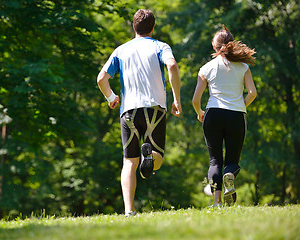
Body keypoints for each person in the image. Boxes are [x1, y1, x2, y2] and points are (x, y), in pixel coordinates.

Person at [97, 9, 182, 217]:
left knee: (129, 162)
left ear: (133, 27)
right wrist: (177, 99)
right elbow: (171, 65)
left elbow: (101, 79)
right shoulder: (160, 46)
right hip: (155, 108)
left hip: (129, 111)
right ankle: (150, 156)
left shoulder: (121, 50)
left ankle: (129, 211)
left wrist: (111, 97)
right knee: (158, 159)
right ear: (153, 27)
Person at [192, 25, 257, 207]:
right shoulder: (243, 67)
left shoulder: (206, 68)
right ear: (231, 43)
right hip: (236, 116)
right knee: (231, 160)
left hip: (213, 115)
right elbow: (252, 93)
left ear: (214, 46)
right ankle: (230, 175)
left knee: (215, 161)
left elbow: (195, 100)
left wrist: (200, 113)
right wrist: (239, 106)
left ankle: (216, 202)